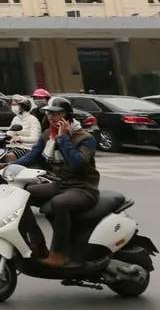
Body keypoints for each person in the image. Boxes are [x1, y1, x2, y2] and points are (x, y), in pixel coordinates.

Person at [6, 97, 100, 267]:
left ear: (68, 116)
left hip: (83, 188)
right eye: (50, 113)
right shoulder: (47, 135)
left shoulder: (85, 138)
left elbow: (77, 163)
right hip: (60, 184)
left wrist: (63, 138)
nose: (52, 117)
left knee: (59, 203)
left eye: (57, 113)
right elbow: (33, 156)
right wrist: (9, 164)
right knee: (20, 196)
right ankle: (38, 244)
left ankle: (60, 253)